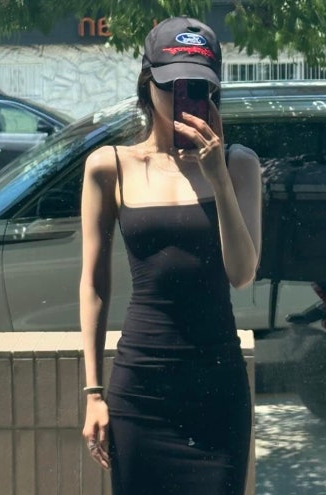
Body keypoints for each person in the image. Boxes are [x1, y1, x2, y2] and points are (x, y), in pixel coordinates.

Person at [79, 15, 262, 495]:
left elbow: (242, 273)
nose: (186, 97)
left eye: (199, 87)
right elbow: (94, 284)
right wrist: (93, 392)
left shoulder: (239, 165)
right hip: (141, 390)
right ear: (148, 82)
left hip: (217, 389)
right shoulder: (109, 166)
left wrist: (217, 177)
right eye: (173, 85)